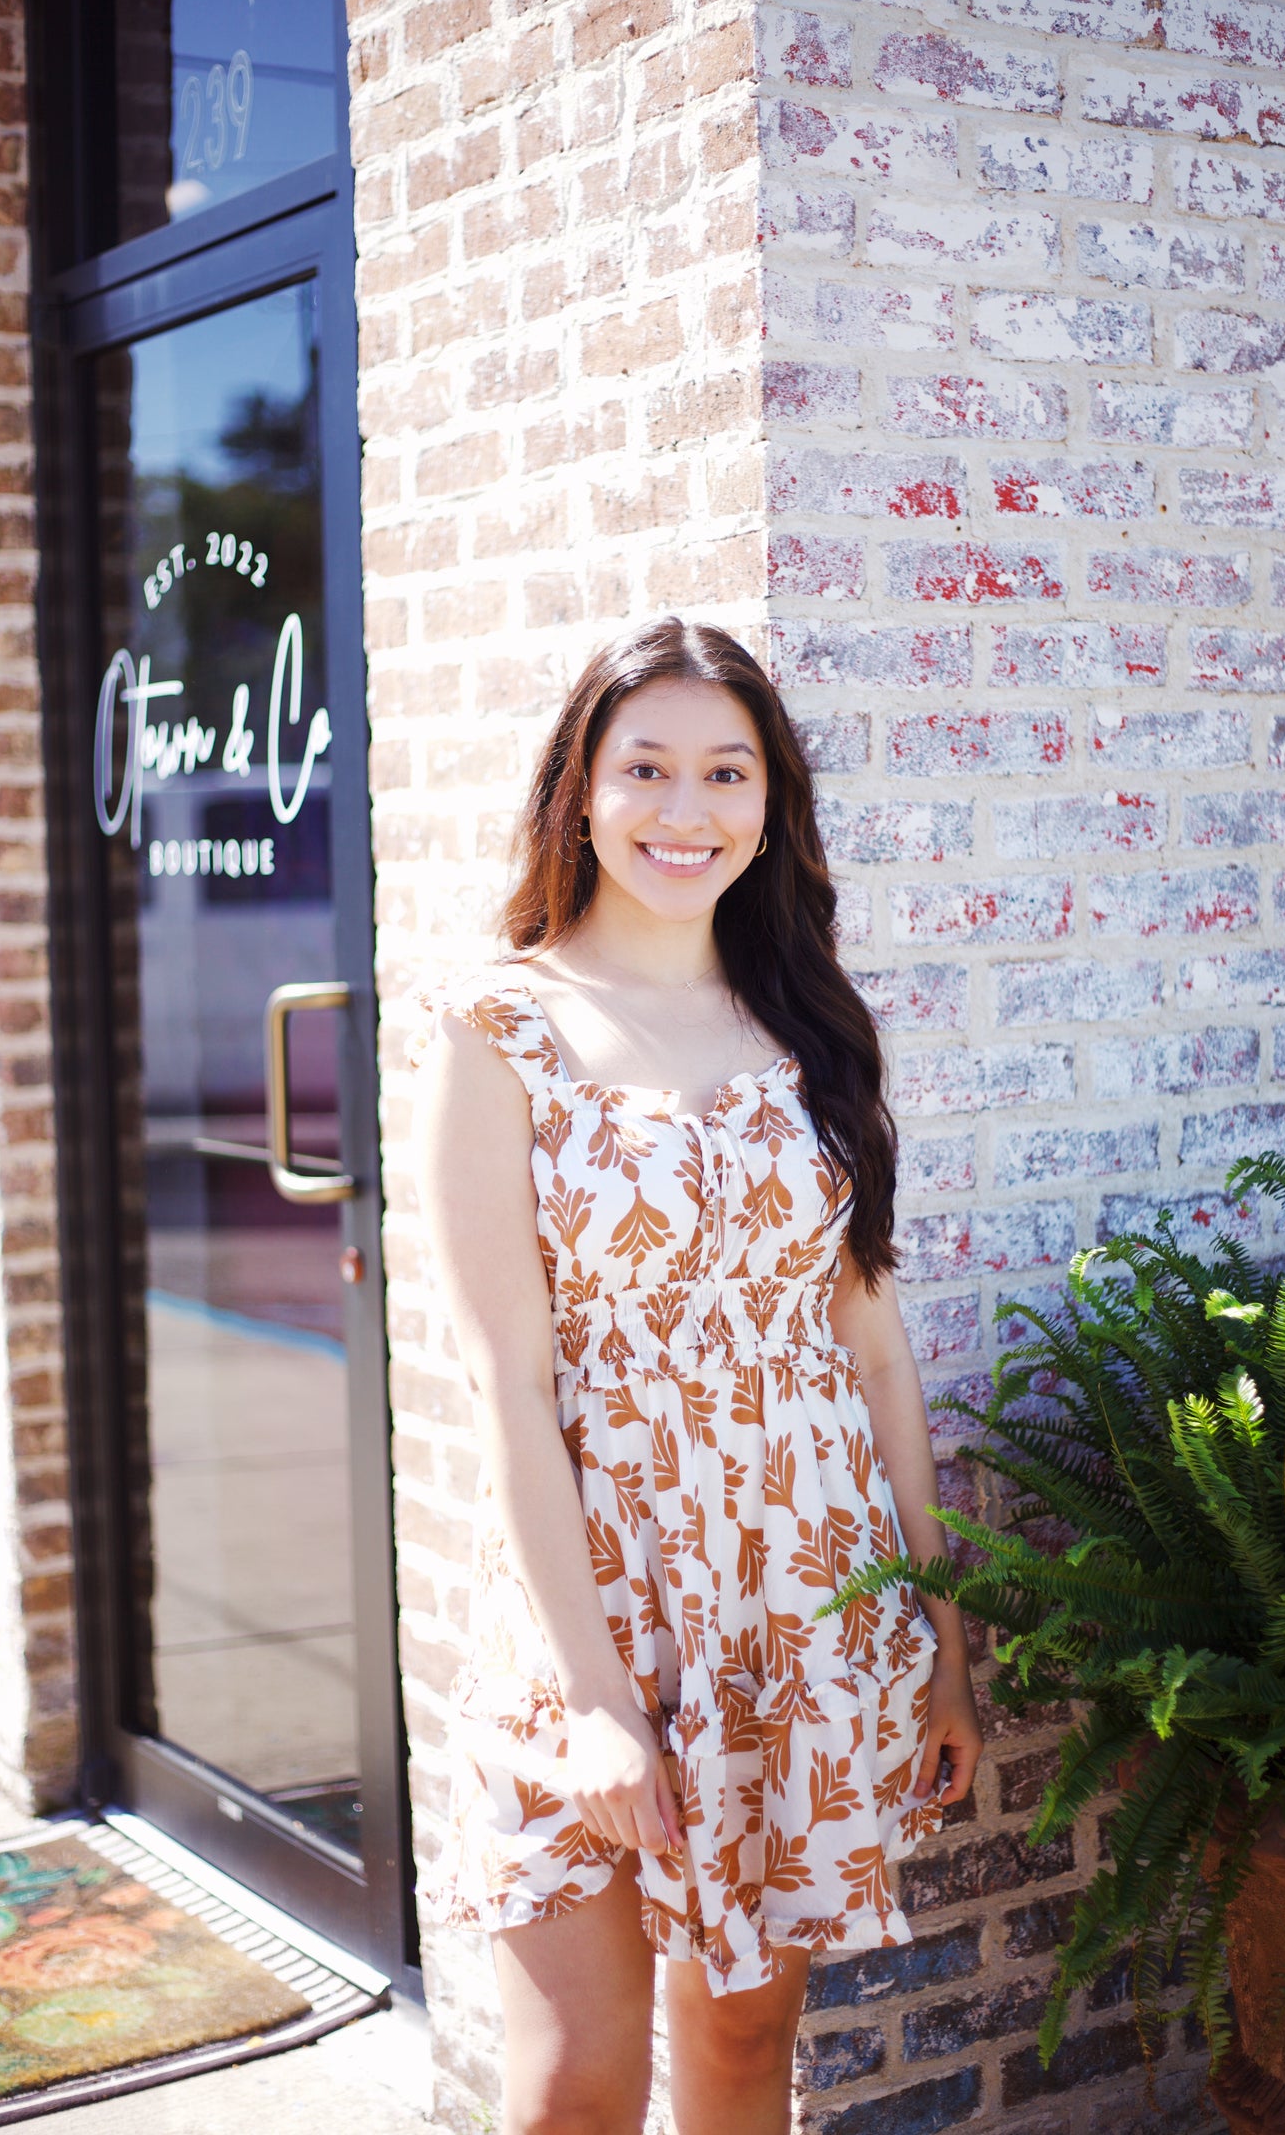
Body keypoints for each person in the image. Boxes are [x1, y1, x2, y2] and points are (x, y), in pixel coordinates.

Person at [411, 617, 982, 2135]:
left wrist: (935, 1620)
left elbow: (867, 1344)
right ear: (579, 795)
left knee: (740, 2063)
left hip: (795, 1611)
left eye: (724, 772)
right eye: (644, 768)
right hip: (586, 1618)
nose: (685, 810)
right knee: (572, 2093)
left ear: (770, 801)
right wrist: (596, 1703)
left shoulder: (811, 1030)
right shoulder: (501, 1030)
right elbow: (502, 1387)